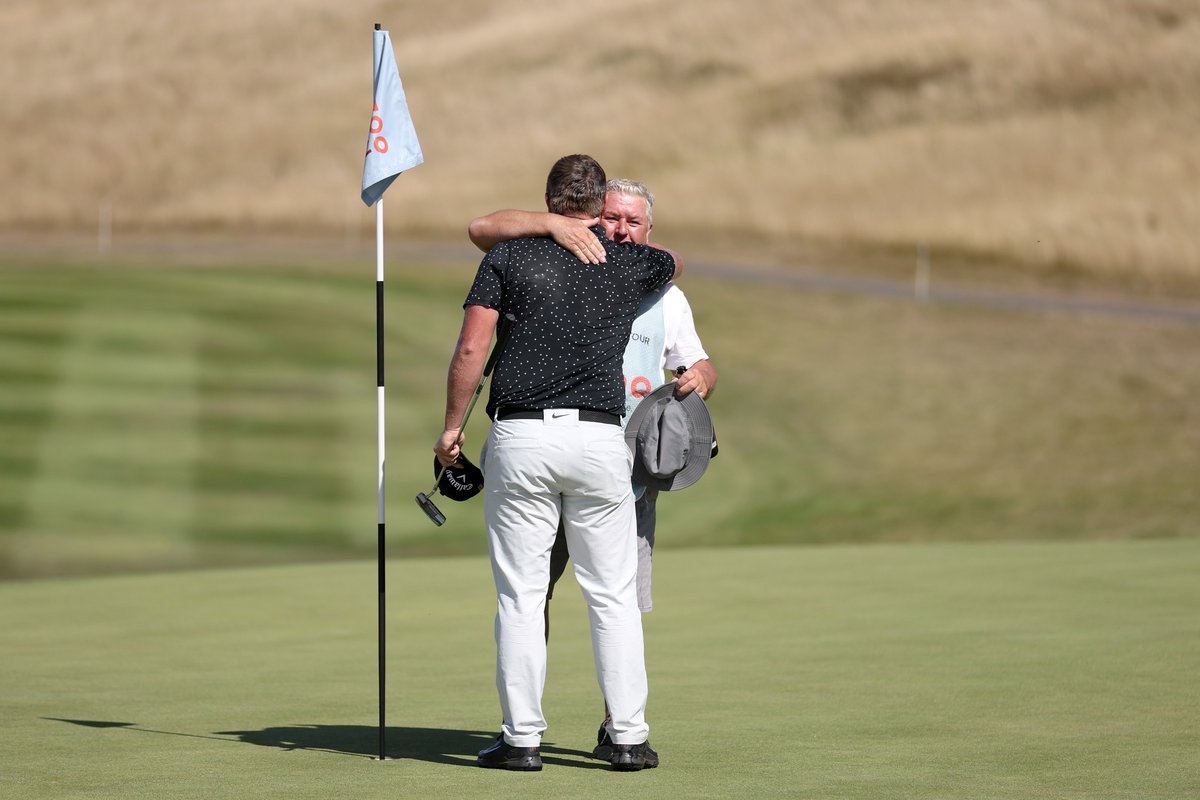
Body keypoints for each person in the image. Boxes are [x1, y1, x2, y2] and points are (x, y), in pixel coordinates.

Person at [435, 155, 679, 772]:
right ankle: (627, 737)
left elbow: (472, 343)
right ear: (601, 207)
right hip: (600, 443)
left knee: (522, 597)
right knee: (614, 597)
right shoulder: (629, 261)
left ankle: (522, 740)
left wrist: (451, 430)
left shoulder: (508, 257)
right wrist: (591, 232)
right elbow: (673, 260)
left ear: (547, 201)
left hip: (521, 438)